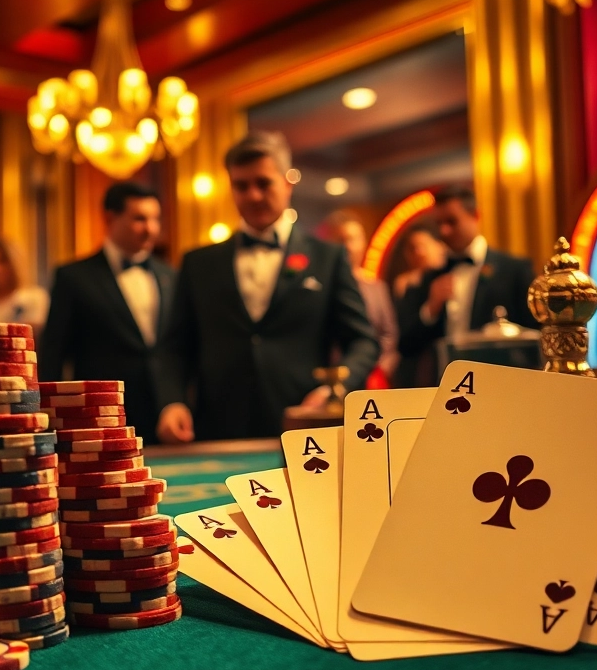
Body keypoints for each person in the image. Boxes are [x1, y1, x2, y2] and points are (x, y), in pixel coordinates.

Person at [156, 131, 378, 443]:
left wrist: (333, 391)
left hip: (305, 428)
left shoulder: (327, 258)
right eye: (241, 186)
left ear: (288, 183)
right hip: (218, 431)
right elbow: (173, 348)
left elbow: (363, 342)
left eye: (263, 183)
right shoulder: (198, 263)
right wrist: (173, 401)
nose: (253, 195)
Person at [40, 183, 175, 441]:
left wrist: (177, 403)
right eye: (140, 219)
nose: (151, 229)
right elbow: (54, 357)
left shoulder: (171, 275)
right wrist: (52, 426)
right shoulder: (73, 278)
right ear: (110, 218)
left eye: (156, 219)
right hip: (100, 420)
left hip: (164, 419)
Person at [397, 187, 538, 383]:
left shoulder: (513, 270)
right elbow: (406, 346)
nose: (444, 231)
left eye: (452, 221)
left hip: (501, 384)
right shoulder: (430, 278)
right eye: (439, 224)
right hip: (445, 388)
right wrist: (431, 309)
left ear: (475, 216)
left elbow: (534, 337)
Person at [328, 214, 399, 389]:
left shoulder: (376, 287)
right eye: (341, 240)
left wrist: (380, 367)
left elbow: (388, 333)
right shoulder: (327, 285)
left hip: (373, 377)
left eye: (352, 239)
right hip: (335, 375)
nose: (348, 247)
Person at [392, 225, 447, 300]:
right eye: (413, 248)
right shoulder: (407, 283)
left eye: (423, 245)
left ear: (440, 246)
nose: (419, 252)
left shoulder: (455, 271)